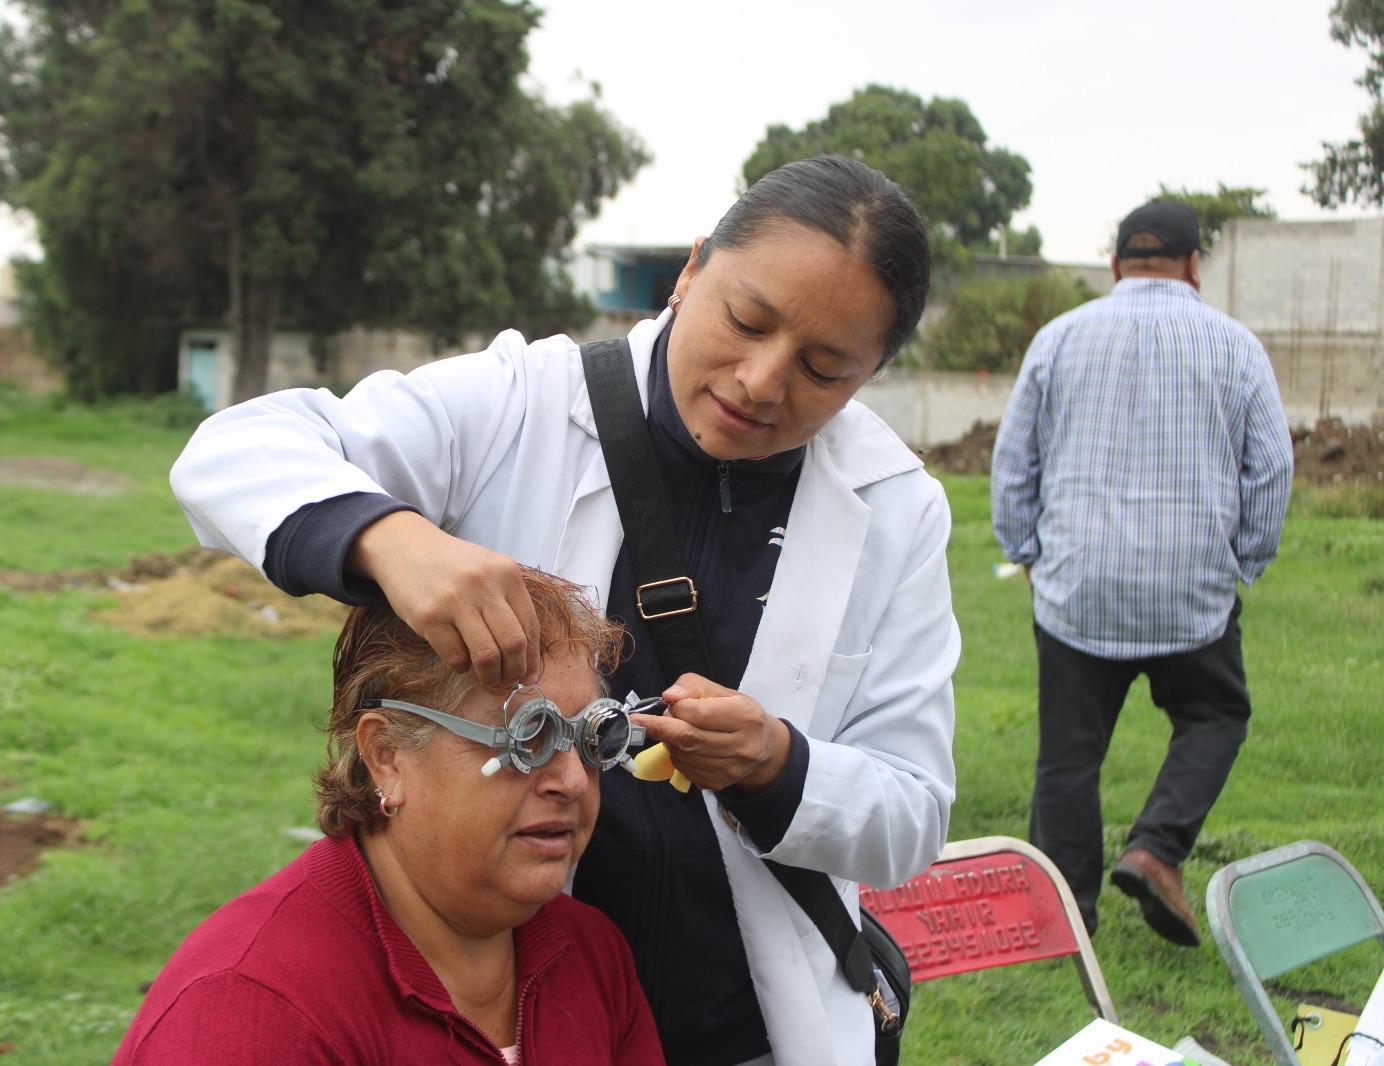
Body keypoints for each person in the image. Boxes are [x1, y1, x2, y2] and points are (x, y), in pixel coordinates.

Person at [170, 155, 960, 1065]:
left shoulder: (896, 508)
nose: (760, 381)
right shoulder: (522, 403)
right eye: (746, 321)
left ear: (873, 375)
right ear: (692, 268)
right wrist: (391, 538)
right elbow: (232, 453)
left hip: (751, 1024)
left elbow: (911, 815)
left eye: (824, 370)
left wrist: (775, 764)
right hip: (537, 1004)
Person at [111, 567, 665, 1065]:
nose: (571, 781)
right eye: (530, 736)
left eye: (594, 736)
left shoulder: (591, 953)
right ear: (387, 758)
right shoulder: (249, 1010)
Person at [991, 199, 1294, 947]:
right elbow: (1272, 468)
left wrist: (1023, 550)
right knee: (1214, 716)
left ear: (1118, 263)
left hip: (1078, 588)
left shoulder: (1059, 338)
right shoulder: (1234, 346)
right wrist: (1244, 562)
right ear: (1194, 266)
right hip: (1191, 591)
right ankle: (1156, 849)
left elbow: (1012, 459)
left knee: (1069, 754)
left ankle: (1065, 919)